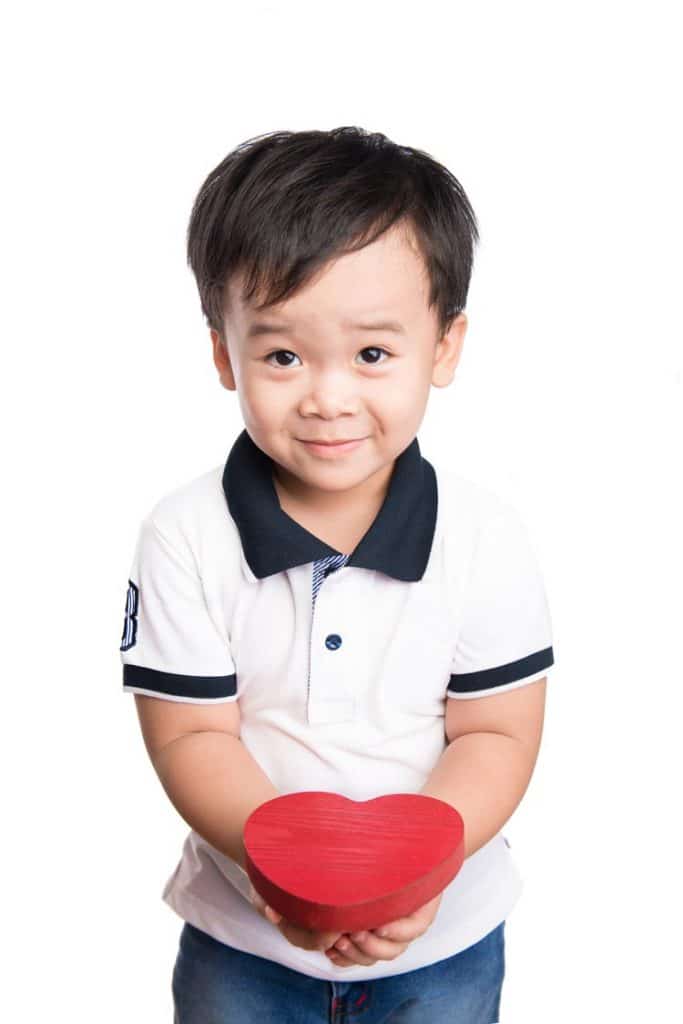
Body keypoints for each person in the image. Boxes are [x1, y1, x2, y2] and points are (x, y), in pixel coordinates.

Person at [119, 126, 555, 1023]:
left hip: (444, 939)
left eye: (371, 354)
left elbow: (496, 735)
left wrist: (415, 876)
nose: (326, 396)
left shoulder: (485, 536)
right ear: (221, 352)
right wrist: (284, 870)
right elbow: (192, 738)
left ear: (443, 346)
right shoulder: (185, 535)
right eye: (282, 355)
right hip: (244, 940)